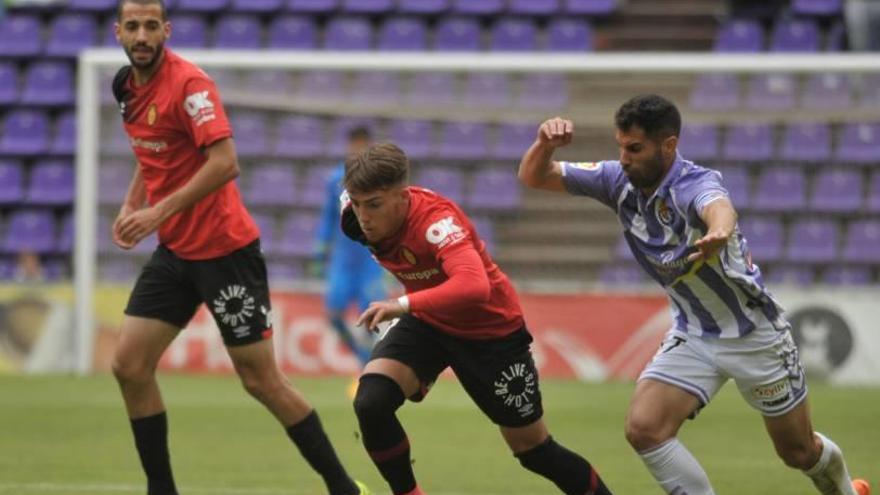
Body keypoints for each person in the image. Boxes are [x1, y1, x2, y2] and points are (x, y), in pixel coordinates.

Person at [517, 94, 870, 495]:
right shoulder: (618, 181)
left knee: (799, 452)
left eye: (635, 148)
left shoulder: (694, 183)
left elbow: (717, 207)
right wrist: (544, 143)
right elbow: (534, 176)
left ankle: (846, 489)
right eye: (621, 147)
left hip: (754, 335)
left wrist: (718, 231)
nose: (625, 158)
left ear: (668, 146)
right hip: (695, 333)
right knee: (645, 429)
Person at [110, 2, 368, 494]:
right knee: (129, 366)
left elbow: (226, 163)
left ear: (165, 30)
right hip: (175, 253)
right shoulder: (125, 87)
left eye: (150, 26)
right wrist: (130, 205)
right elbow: (151, 153)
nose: (141, 35)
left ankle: (343, 487)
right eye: (132, 26)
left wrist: (156, 213)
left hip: (225, 252)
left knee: (261, 382)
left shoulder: (190, 86)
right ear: (118, 31)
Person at [341, 142, 613, 495]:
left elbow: (474, 286)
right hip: (431, 322)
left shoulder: (436, 223)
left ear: (403, 196)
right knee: (371, 402)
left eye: (374, 205)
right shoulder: (353, 217)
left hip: (491, 334)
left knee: (534, 451)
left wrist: (403, 303)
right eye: (358, 203)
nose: (364, 216)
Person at [315, 126, 386, 368]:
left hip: (371, 260)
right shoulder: (336, 179)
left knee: (373, 318)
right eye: (354, 144)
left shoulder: (379, 181)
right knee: (333, 315)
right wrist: (320, 250)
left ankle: (371, 364)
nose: (357, 148)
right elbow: (327, 216)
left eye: (362, 144)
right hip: (343, 261)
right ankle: (362, 358)